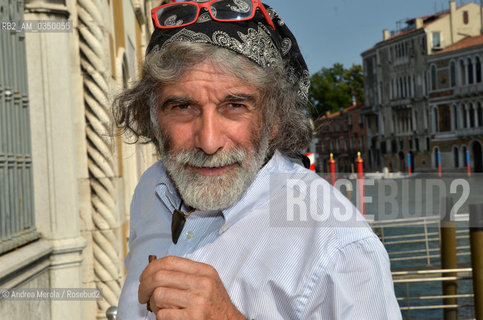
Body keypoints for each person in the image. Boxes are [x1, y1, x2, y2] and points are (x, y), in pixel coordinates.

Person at [113, 1, 402, 319]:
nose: (209, 142)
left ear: (275, 118)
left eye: (234, 105)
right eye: (183, 107)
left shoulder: (339, 247)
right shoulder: (151, 189)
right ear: (154, 117)